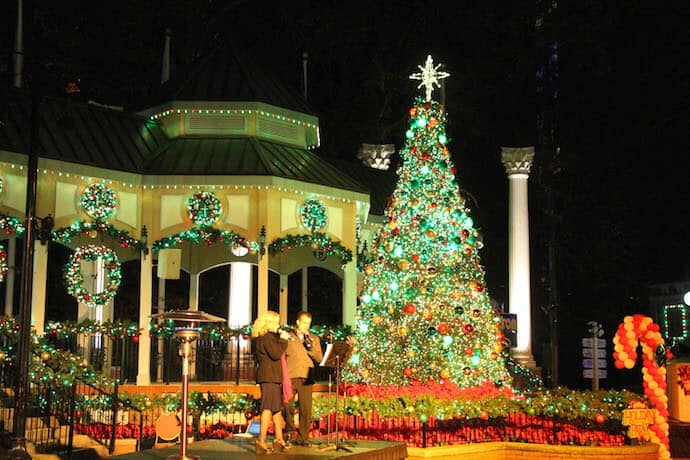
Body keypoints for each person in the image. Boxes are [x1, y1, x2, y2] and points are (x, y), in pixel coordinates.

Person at [252, 310, 292, 454]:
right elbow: (275, 354)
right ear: (269, 323)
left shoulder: (269, 337)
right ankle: (261, 441)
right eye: (276, 322)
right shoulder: (266, 337)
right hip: (268, 377)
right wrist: (283, 339)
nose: (278, 325)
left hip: (273, 377)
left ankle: (279, 439)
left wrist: (280, 339)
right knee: (268, 408)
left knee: (276, 409)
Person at [283, 311, 323, 446]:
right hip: (291, 375)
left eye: (309, 323)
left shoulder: (314, 338)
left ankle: (303, 437)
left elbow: (319, 358)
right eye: (304, 322)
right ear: (298, 322)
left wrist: (310, 348)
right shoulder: (288, 336)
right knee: (286, 405)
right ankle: (289, 430)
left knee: (305, 408)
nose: (306, 326)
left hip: (307, 375)